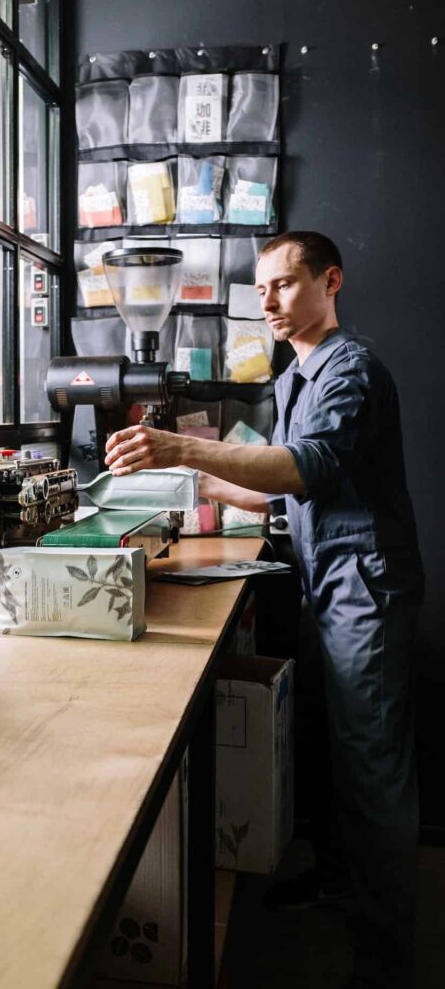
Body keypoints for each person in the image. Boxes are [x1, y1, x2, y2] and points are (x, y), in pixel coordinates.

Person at [104, 231, 423, 989]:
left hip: (364, 587)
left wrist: (182, 452)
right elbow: (276, 486)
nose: (268, 302)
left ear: (330, 281)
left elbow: (303, 465)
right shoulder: (292, 376)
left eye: (283, 285)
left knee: (372, 764)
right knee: (337, 746)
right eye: (260, 290)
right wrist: (190, 481)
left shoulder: (349, 367)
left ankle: (387, 955)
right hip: (327, 580)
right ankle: (343, 887)